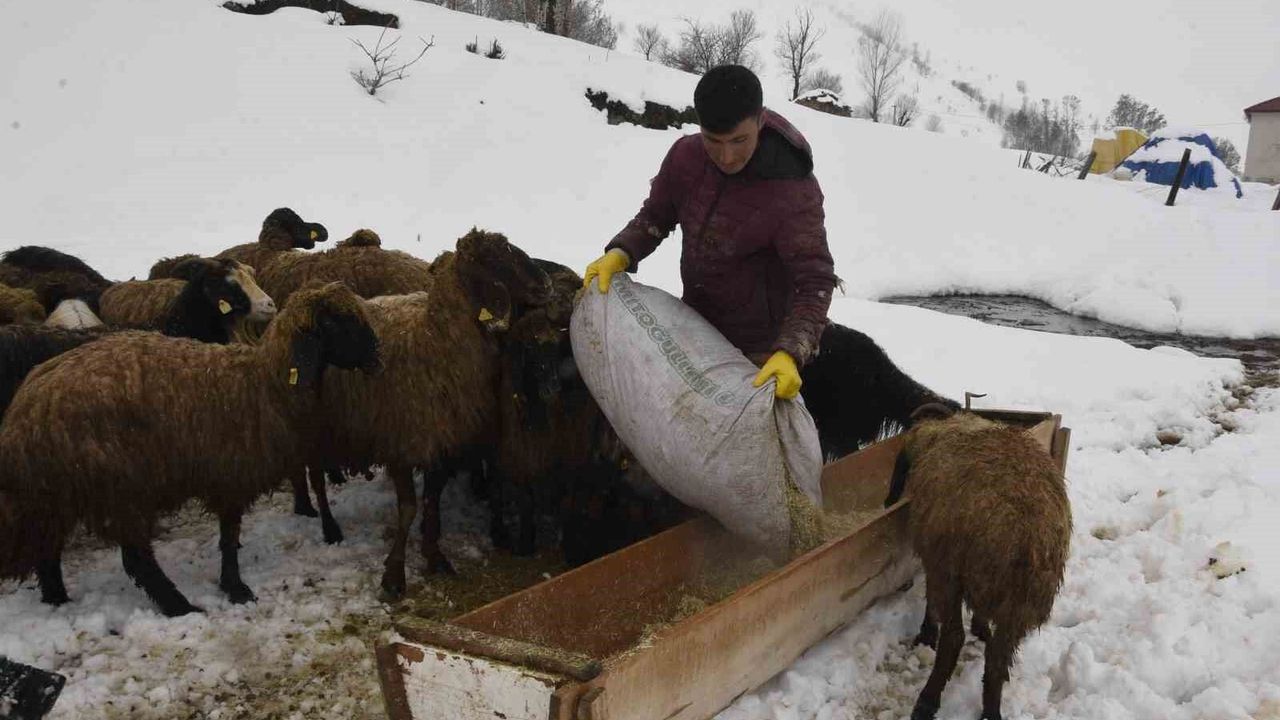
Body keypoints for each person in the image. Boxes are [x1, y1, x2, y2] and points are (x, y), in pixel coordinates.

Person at [583, 65, 836, 400]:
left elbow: (815, 281)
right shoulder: (685, 157)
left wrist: (789, 352)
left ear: (760, 121)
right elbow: (656, 215)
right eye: (713, 141)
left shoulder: (793, 189)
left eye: (739, 140)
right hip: (696, 328)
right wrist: (622, 251)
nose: (726, 157)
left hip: (762, 354)